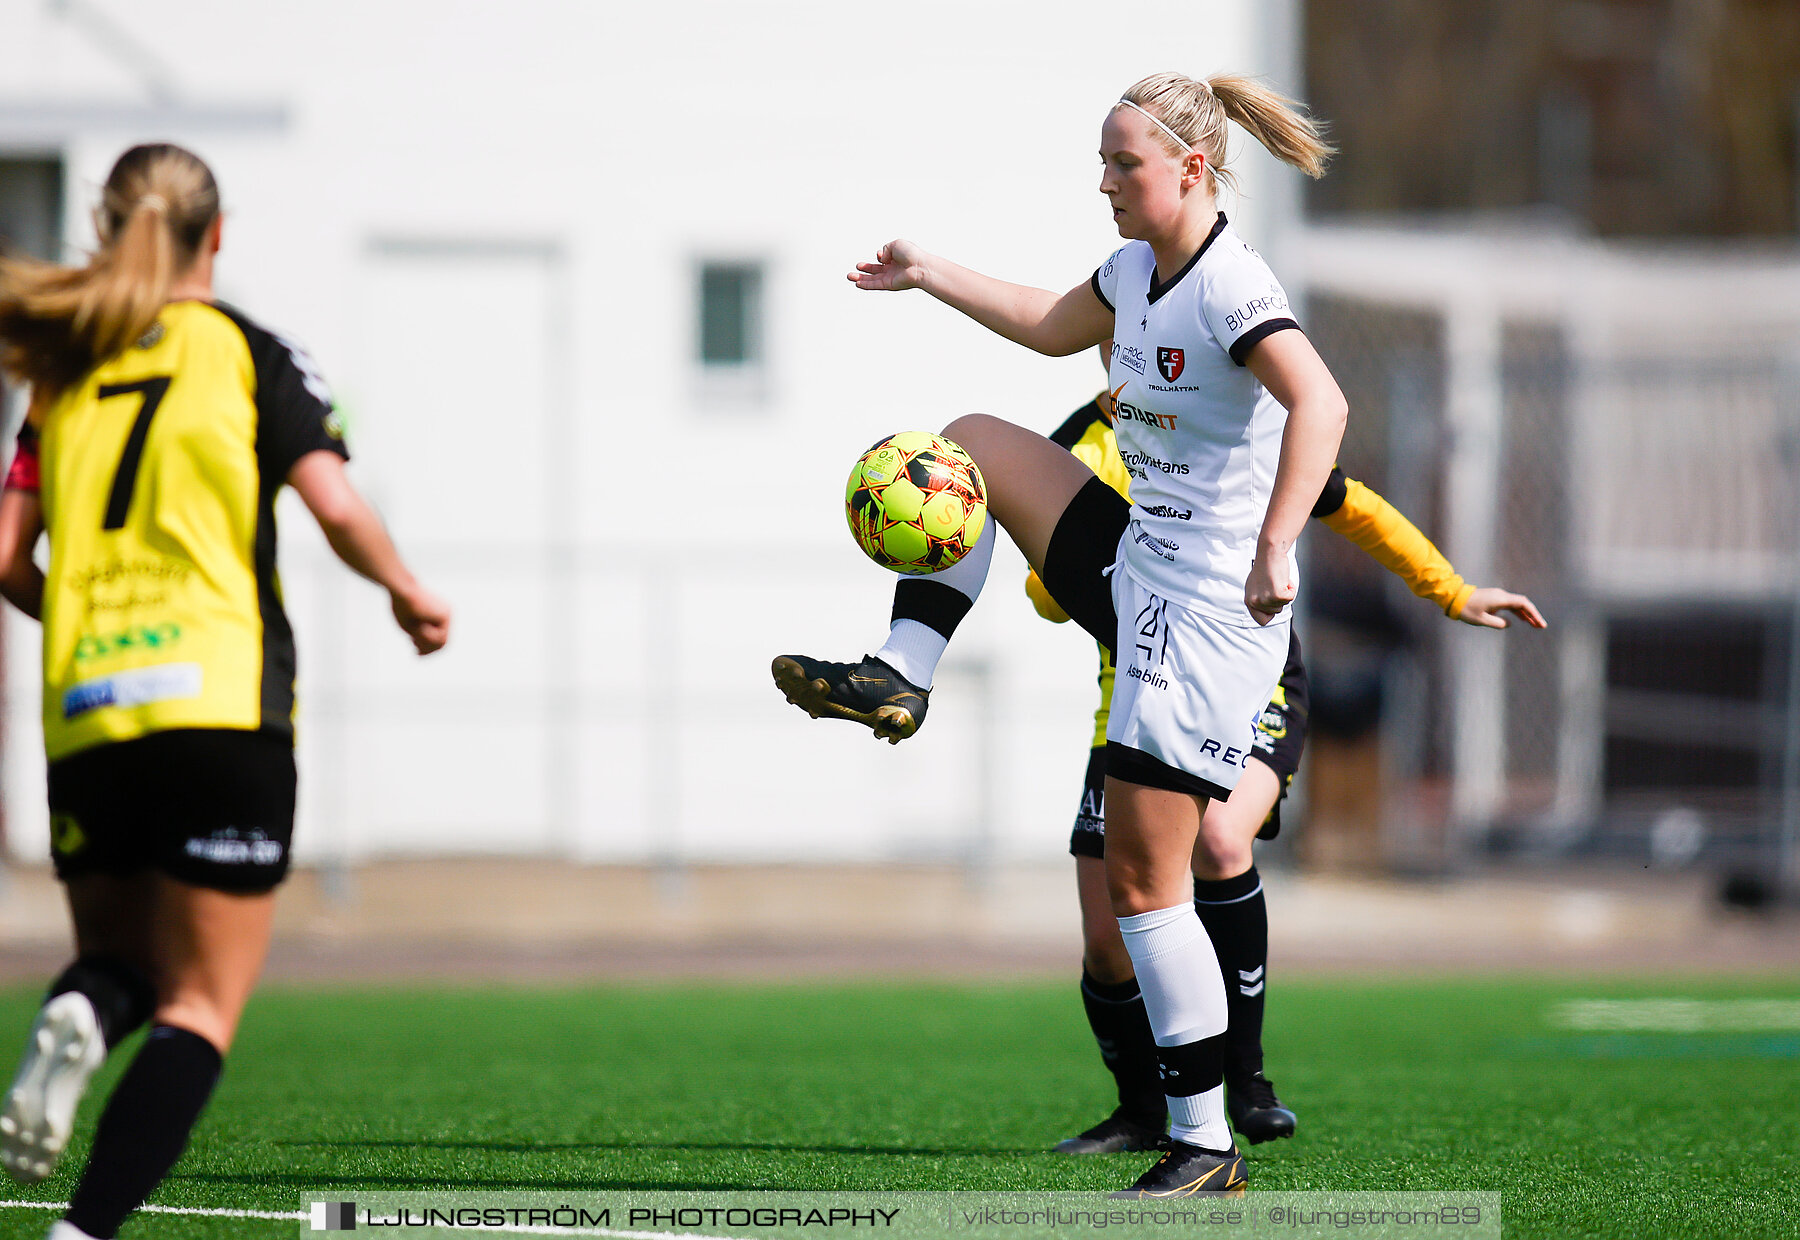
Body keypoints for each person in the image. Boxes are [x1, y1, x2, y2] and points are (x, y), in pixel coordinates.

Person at [775, 72, 1348, 1195]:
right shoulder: (1137, 271)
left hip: (1204, 616)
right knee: (971, 439)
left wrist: (1279, 543)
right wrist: (927, 271)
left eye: (1121, 163)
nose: (1103, 181)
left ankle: (1204, 1141)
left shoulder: (1232, 285)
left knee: (1143, 883)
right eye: (1103, 160)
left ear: (1191, 168)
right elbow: (1048, 327)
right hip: (1139, 562)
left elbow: (1319, 404)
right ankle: (903, 671)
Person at [0, 142, 450, 1240]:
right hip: (220, 700)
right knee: (200, 1004)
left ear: (106, 228)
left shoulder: (63, 372)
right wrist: (406, 591)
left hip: (89, 709)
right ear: (218, 234)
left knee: (120, 964)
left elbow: (7, 558)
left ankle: (77, 1010)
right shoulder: (251, 351)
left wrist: (88, 628)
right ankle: (80, 1233)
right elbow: (336, 505)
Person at [1032, 381, 1545, 1156]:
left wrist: (1453, 592)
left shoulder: (1227, 426)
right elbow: (1044, 594)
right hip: (1133, 708)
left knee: (1220, 844)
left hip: (1251, 685)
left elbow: (1354, 505)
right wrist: (1084, 563)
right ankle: (1139, 1113)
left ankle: (1246, 1078)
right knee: (1106, 941)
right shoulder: (1082, 444)